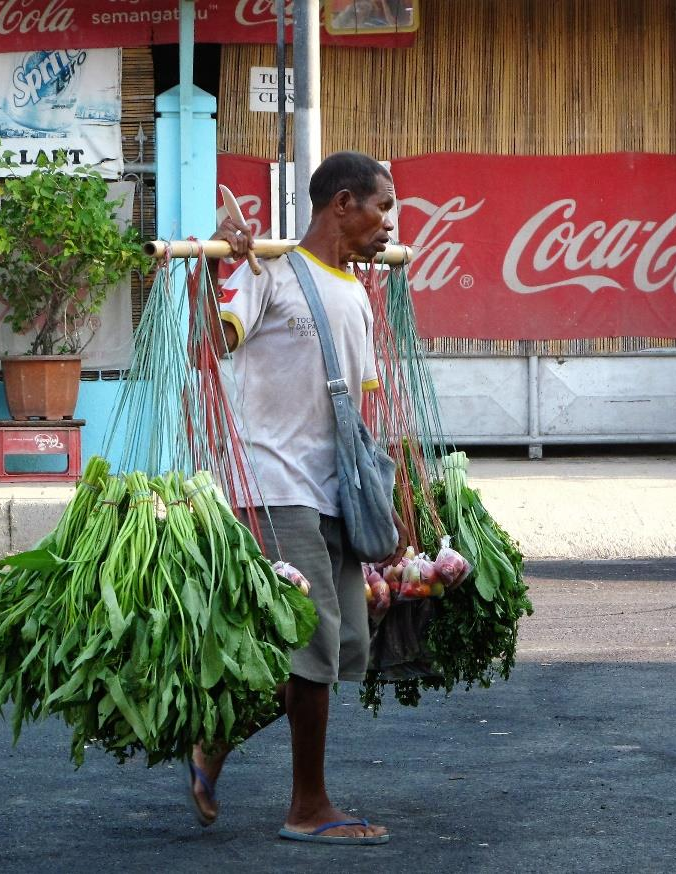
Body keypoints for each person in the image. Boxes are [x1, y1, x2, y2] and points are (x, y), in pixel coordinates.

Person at [187, 151, 396, 846]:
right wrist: (209, 273)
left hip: (334, 488)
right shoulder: (268, 271)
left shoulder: (357, 295)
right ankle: (308, 807)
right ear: (343, 204)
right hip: (272, 482)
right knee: (312, 643)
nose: (388, 224)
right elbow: (208, 345)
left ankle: (214, 738)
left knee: (343, 647)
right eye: (381, 207)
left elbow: (360, 411)